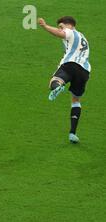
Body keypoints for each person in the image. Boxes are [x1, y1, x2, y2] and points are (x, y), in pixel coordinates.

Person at [39, 16, 91, 144]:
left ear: (69, 25)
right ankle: (73, 133)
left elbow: (61, 34)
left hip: (70, 65)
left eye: (61, 26)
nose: (60, 28)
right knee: (75, 100)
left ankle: (58, 86)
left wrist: (45, 26)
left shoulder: (71, 32)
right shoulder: (83, 37)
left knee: (53, 82)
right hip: (84, 71)